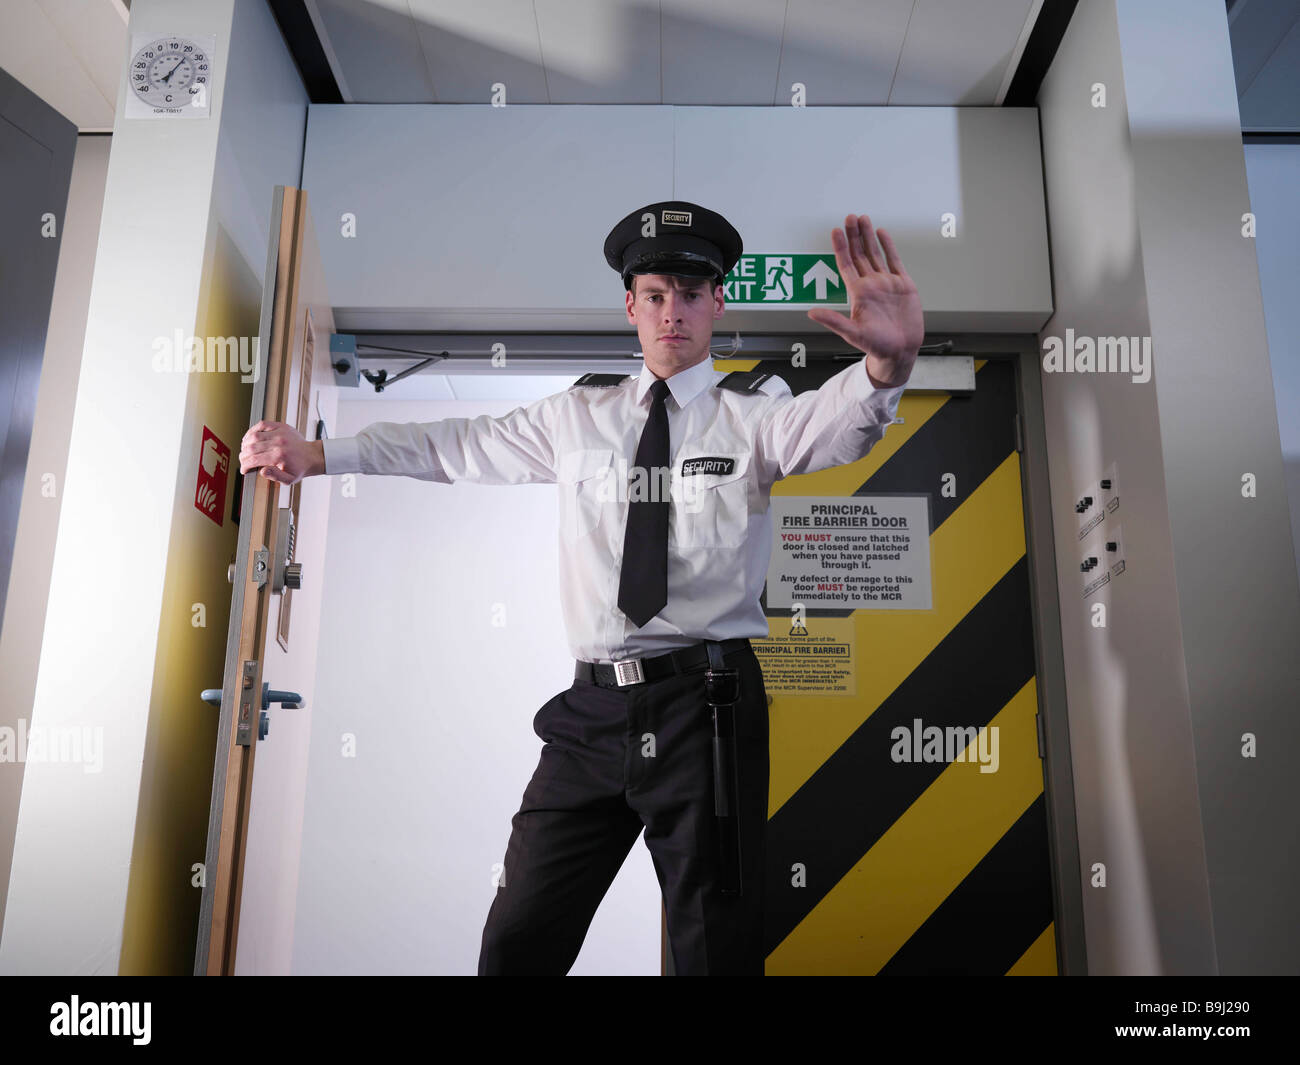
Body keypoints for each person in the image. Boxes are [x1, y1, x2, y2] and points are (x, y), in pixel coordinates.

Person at [238, 201, 923, 975]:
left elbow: (836, 425)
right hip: (590, 710)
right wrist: (321, 454)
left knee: (715, 949)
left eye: (692, 294)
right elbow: (456, 446)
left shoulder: (752, 418)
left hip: (709, 706)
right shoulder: (577, 416)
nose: (674, 313)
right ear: (630, 304)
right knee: (516, 941)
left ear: (717, 302)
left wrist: (886, 367)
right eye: (657, 294)